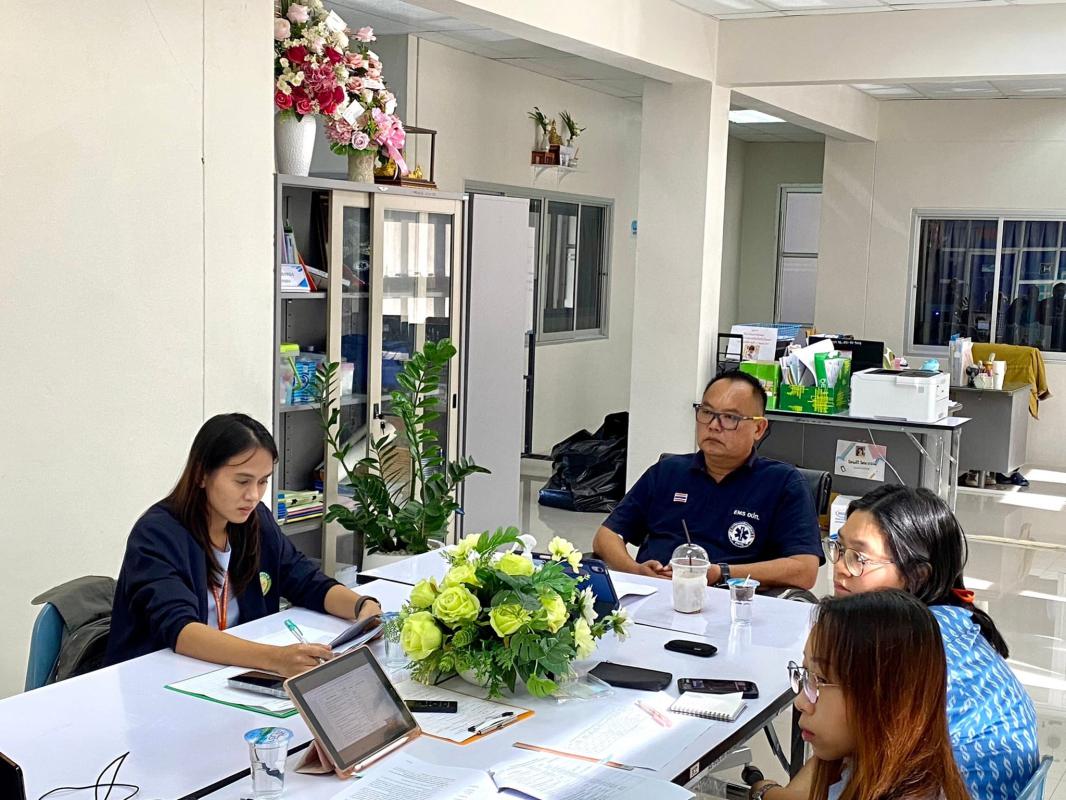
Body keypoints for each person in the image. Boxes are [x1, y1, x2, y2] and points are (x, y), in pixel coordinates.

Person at [754, 484, 1039, 800]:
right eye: (839, 547)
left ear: (917, 575)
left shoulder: (903, 650)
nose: (840, 567)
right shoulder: (952, 621)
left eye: (859, 557)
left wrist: (765, 792)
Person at [105, 413, 382, 676]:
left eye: (262, 482)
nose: (253, 495)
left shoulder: (255, 521)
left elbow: (305, 580)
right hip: (159, 679)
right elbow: (182, 631)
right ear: (201, 474)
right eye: (242, 481)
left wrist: (362, 607)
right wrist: (276, 659)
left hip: (229, 672)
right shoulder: (157, 534)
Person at [591, 371, 823, 589]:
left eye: (730, 417)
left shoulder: (783, 483)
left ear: (759, 428)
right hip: (655, 593)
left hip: (733, 601)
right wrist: (635, 570)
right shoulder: (667, 472)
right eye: (707, 412)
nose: (713, 425)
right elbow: (606, 537)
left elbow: (804, 569)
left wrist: (721, 573)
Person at [751, 590, 972, 800]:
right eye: (806, 674)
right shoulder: (863, 762)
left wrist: (762, 791)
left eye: (822, 679)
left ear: (887, 699)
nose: (801, 703)